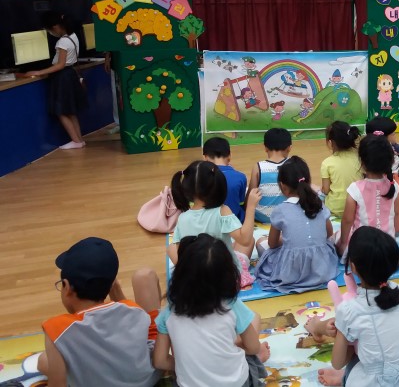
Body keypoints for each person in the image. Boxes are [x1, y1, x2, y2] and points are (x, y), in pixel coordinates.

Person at [306, 227, 399, 386]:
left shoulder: (349, 310)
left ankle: (345, 377)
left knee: (355, 344)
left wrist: (340, 328)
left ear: (353, 266)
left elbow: (337, 362)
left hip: (378, 382)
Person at [39, 237, 161, 387]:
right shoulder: (134, 310)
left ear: (66, 286)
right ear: (112, 285)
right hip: (146, 380)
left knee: (43, 361)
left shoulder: (56, 329)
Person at [154, 234, 269, 387]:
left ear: (181, 273)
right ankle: (252, 357)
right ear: (228, 274)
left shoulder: (168, 312)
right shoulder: (231, 305)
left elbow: (160, 361)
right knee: (255, 317)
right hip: (237, 383)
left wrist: (186, 366)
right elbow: (253, 347)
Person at [254, 156, 338, 293]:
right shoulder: (319, 204)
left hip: (291, 272)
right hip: (322, 268)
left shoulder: (281, 209)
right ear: (308, 181)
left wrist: (286, 239)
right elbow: (329, 234)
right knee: (335, 237)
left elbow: (272, 244)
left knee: (260, 242)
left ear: (283, 186)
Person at [168, 161, 258, 288]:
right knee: (249, 240)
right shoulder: (222, 211)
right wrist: (251, 207)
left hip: (198, 278)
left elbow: (182, 253)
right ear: (218, 186)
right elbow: (245, 240)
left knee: (171, 247)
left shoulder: (182, 218)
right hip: (225, 278)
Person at [18, 11, 87, 149]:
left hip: (62, 77)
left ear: (55, 27)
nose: (49, 33)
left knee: (61, 111)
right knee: (71, 111)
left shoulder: (62, 42)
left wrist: (38, 72)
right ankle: (79, 140)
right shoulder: (73, 36)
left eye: (48, 30)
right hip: (70, 74)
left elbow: (60, 65)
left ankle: (76, 141)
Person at [337, 135, 399, 257]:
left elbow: (347, 220)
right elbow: (396, 215)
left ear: (362, 162)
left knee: (336, 236)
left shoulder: (355, 189)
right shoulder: (394, 186)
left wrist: (343, 243)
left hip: (362, 251)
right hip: (387, 250)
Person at [365, 117, 399, 232]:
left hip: (372, 231)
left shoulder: (363, 183)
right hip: (398, 228)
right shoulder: (397, 167)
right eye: (394, 134)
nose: (396, 136)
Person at [248, 127, 292, 224]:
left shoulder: (258, 167)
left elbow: (251, 194)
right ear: (289, 148)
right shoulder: (293, 164)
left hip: (262, 217)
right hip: (286, 215)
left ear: (265, 148)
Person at [320, 121, 362, 216]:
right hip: (358, 207)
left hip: (335, 209)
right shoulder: (361, 158)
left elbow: (326, 190)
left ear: (330, 142)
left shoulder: (327, 163)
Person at [203, 137, 247, 223]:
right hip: (235, 223)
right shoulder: (241, 177)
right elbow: (241, 203)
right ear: (229, 155)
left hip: (209, 223)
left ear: (205, 157)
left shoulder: (200, 177)